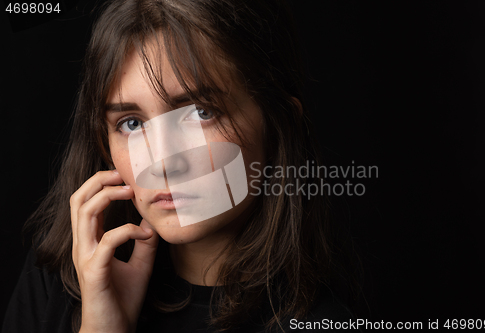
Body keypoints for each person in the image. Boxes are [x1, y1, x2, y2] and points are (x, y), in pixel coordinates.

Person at [2, 0, 362, 332]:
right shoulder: (61, 275)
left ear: (280, 127)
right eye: (131, 123)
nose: (162, 163)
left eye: (201, 113)